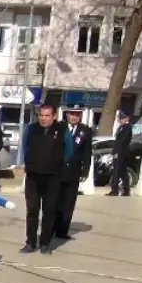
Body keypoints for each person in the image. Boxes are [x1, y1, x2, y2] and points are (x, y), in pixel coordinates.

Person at [21, 104, 67, 253]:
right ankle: (30, 242)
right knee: (32, 209)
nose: (43, 118)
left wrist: (57, 163)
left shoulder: (62, 130)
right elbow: (25, 147)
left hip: (53, 176)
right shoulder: (31, 129)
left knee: (49, 210)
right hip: (33, 175)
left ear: (54, 116)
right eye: (41, 115)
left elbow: (69, 150)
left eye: (47, 115)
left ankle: (45, 243)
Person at [55, 105, 93, 240]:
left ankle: (62, 231)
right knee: (55, 201)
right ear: (67, 115)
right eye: (72, 114)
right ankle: (52, 228)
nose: (74, 117)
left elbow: (87, 151)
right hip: (57, 171)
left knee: (69, 202)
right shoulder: (59, 128)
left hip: (74, 172)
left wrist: (85, 170)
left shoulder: (86, 130)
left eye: (77, 114)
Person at [108, 110, 132, 196]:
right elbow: (117, 141)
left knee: (117, 172)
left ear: (127, 119)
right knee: (122, 172)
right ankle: (126, 190)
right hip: (120, 152)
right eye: (120, 118)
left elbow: (122, 141)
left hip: (122, 153)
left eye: (123, 118)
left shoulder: (127, 127)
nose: (120, 120)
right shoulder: (121, 127)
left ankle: (115, 190)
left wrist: (117, 152)